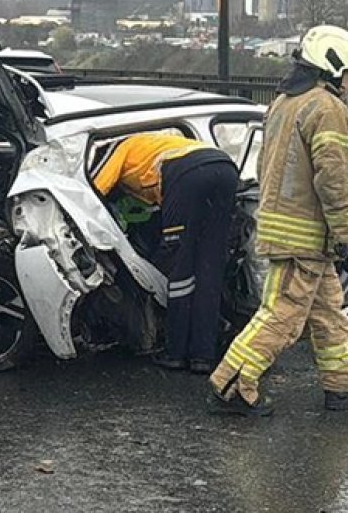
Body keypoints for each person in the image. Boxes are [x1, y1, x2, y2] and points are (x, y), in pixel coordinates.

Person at [208, 24, 348, 416]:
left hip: (286, 227)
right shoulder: (327, 107)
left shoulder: (284, 102)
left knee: (326, 310)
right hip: (306, 234)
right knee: (282, 315)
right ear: (333, 68)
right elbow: (333, 178)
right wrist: (345, 231)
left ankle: (343, 386)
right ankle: (230, 385)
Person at [91, 132, 240, 373]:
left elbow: (94, 191)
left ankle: (175, 353)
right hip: (225, 169)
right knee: (209, 269)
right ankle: (203, 355)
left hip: (186, 175)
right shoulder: (157, 143)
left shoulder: (120, 147)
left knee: (180, 267)